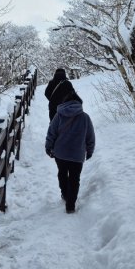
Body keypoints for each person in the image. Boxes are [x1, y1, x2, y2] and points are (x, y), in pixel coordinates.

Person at [45, 80, 95, 214]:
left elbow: (51, 132)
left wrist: (48, 147)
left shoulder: (59, 115)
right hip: (77, 154)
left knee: (62, 173)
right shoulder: (85, 118)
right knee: (74, 178)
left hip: (60, 153)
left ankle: (65, 194)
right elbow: (90, 137)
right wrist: (89, 150)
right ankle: (70, 204)